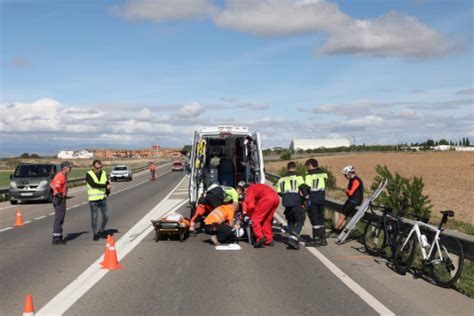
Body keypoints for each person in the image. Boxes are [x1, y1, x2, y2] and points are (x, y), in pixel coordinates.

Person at [237, 183, 280, 248]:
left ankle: (260, 237)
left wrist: (247, 215)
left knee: (255, 219)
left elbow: (251, 205)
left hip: (267, 199)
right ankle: (269, 240)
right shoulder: (258, 186)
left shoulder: (250, 189)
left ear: (246, 189)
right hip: (276, 198)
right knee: (266, 220)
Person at [276, 161, 305, 250]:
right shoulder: (298, 177)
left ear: (287, 168)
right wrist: (305, 198)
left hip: (287, 203)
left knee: (291, 221)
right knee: (300, 221)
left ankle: (292, 239)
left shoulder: (281, 179)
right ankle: (293, 239)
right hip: (296, 202)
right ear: (295, 168)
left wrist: (286, 197)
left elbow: (279, 192)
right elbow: (303, 188)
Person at [332, 166, 364, 236]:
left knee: (342, 216)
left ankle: (334, 231)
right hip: (351, 200)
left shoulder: (356, 180)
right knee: (342, 216)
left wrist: (346, 190)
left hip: (354, 201)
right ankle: (339, 231)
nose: (345, 177)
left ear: (349, 174)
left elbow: (350, 193)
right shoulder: (352, 180)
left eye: (345, 175)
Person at [303, 158, 328, 246]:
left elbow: (306, 187)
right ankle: (323, 239)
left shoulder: (309, 175)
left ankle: (316, 239)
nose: (306, 168)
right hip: (321, 198)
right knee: (321, 218)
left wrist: (305, 196)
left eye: (307, 166)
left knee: (314, 219)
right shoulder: (324, 174)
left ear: (310, 165)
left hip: (312, 199)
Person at [86, 160, 112, 241]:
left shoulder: (103, 173)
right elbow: (93, 184)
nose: (99, 169)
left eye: (100, 167)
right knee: (94, 218)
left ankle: (101, 230)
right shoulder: (89, 174)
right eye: (97, 168)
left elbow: (107, 183)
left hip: (102, 199)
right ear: (93, 167)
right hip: (93, 200)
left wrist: (107, 192)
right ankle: (95, 233)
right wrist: (105, 186)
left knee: (106, 216)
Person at [50, 161, 72, 245]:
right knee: (59, 218)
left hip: (58, 198)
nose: (70, 169)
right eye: (69, 168)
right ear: (65, 168)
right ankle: (56, 238)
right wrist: (59, 193)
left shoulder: (61, 175)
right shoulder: (61, 176)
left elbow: (51, 184)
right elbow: (57, 185)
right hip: (59, 199)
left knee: (60, 218)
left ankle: (58, 236)